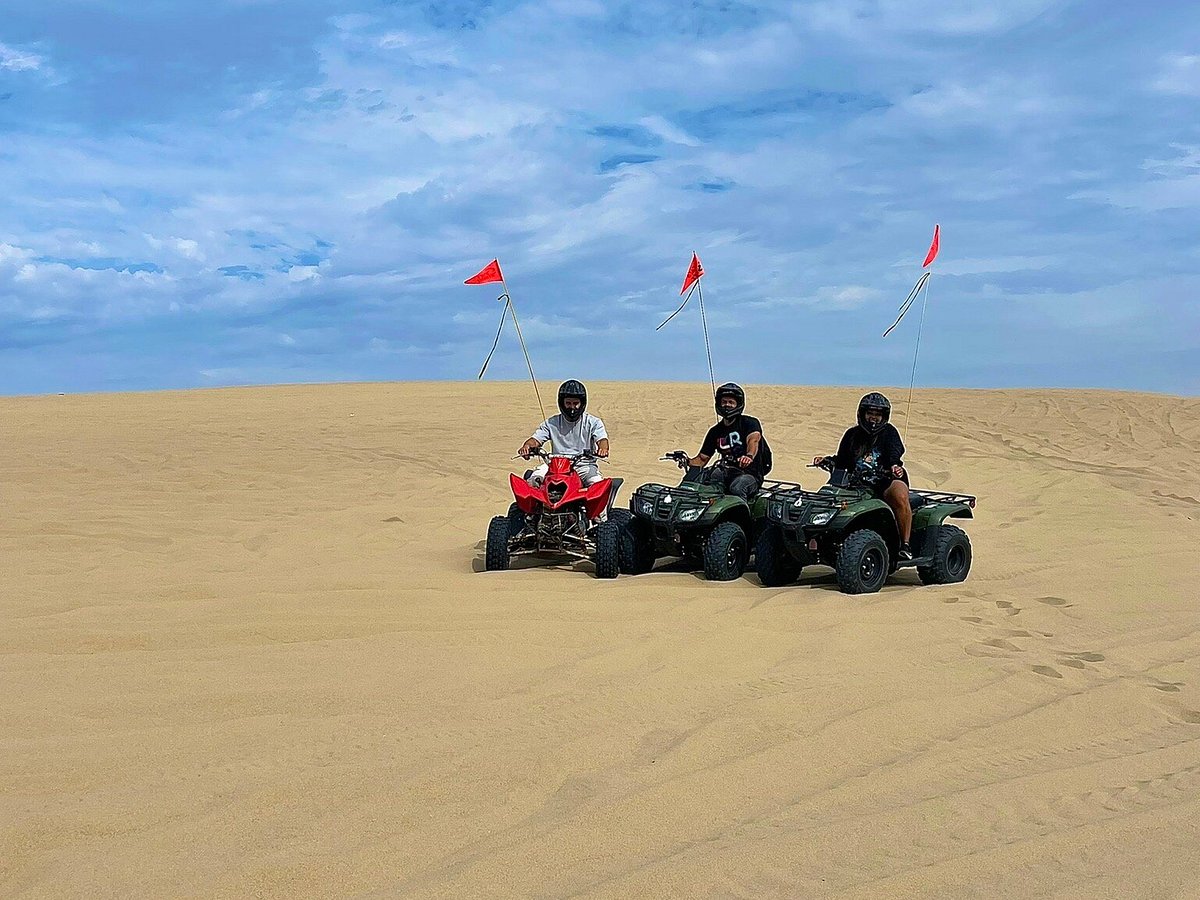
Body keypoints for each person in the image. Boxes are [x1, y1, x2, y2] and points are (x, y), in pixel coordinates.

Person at [813, 391, 914, 560]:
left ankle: (905, 545)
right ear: (862, 413)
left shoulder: (889, 433)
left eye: (878, 414)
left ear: (884, 416)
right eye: (870, 413)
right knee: (827, 497)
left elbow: (894, 454)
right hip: (856, 484)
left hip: (887, 481)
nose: (873, 418)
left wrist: (894, 466)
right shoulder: (852, 435)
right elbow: (842, 460)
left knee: (900, 496)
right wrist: (826, 460)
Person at [673, 382, 772, 500]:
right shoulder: (715, 431)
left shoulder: (749, 423)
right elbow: (702, 459)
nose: (727, 405)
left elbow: (753, 440)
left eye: (731, 402)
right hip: (725, 472)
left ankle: (739, 517)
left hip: (749, 474)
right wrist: (686, 460)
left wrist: (748, 456)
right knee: (700, 481)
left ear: (738, 404)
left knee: (737, 488)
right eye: (724, 402)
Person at [518, 380, 609, 486]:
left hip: (583, 466)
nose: (572, 407)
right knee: (535, 479)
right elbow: (536, 439)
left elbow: (602, 439)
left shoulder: (593, 422)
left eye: (576, 403)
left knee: (596, 484)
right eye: (568, 403)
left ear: (582, 403)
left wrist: (603, 449)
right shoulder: (552, 423)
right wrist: (527, 446)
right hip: (555, 466)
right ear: (562, 403)